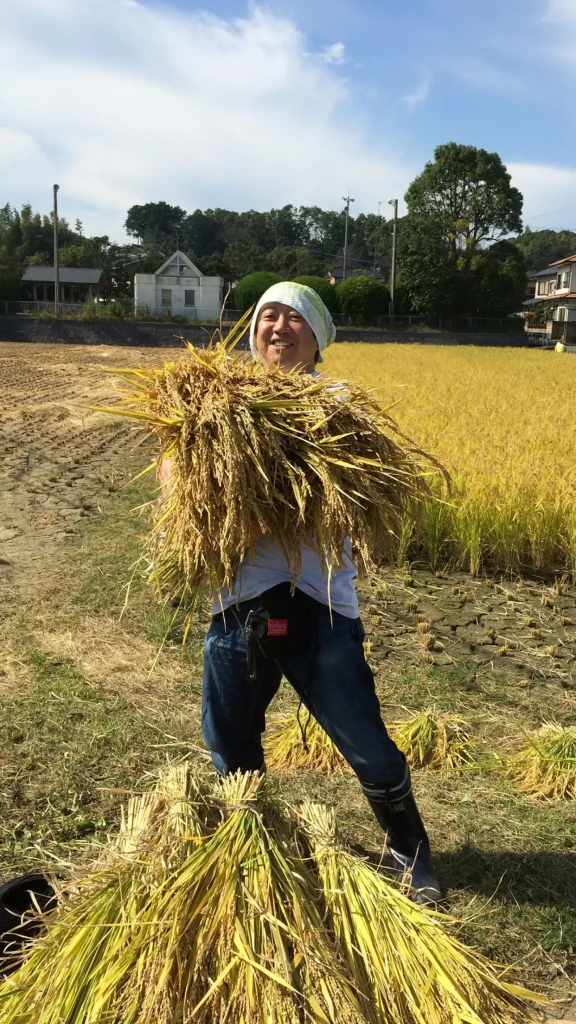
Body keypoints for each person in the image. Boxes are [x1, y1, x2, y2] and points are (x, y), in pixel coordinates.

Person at [169, 282, 442, 904]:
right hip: (234, 603)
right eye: (268, 314)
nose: (279, 325)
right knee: (229, 739)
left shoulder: (341, 406)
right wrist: (200, 491)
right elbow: (177, 482)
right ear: (252, 331)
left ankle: (410, 850)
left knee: (364, 740)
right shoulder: (217, 402)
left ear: (319, 338)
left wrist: (245, 508)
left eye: (295, 316)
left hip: (320, 604)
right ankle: (247, 846)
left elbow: (337, 503)